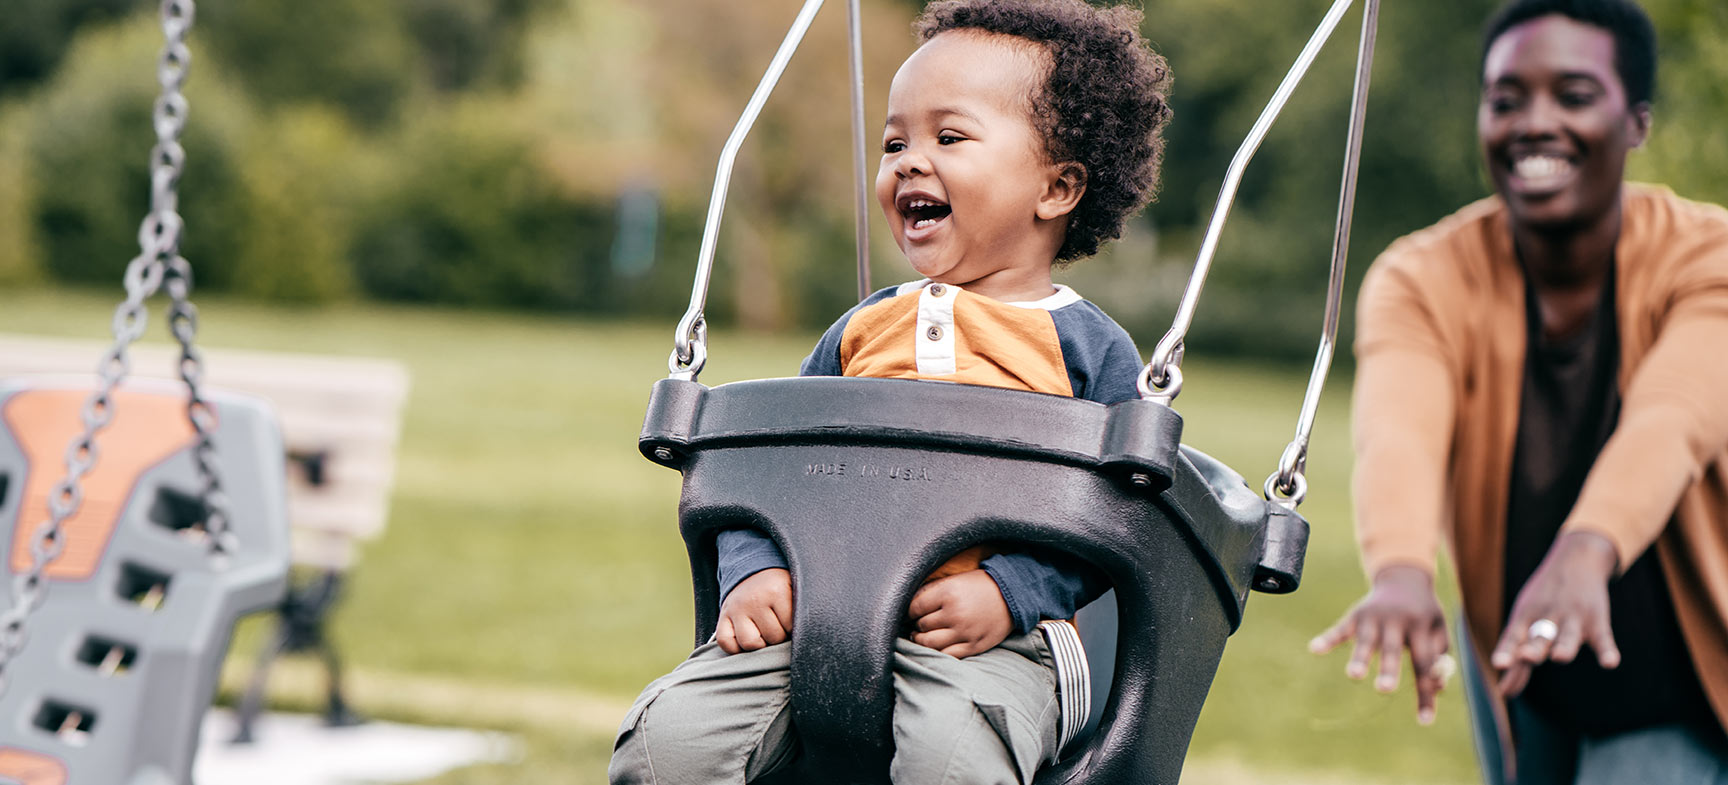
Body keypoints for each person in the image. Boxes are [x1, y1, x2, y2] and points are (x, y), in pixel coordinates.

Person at [607, 1, 1171, 782]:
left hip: (999, 642)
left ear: (1057, 186)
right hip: (818, 616)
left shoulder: (1089, 350)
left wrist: (1010, 592)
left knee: (950, 758)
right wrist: (756, 570)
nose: (908, 160)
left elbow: (1121, 519)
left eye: (949, 136)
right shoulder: (858, 333)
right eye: (894, 142)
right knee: (665, 745)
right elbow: (764, 471)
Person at [1310, 0, 1728, 781]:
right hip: (1519, 652)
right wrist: (1400, 567)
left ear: (1636, 121)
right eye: (1506, 99)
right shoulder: (1422, 274)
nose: (1535, 122)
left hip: (1677, 672)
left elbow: (1675, 418)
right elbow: (1400, 429)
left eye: (1574, 96)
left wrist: (1587, 548)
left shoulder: (1709, 256)